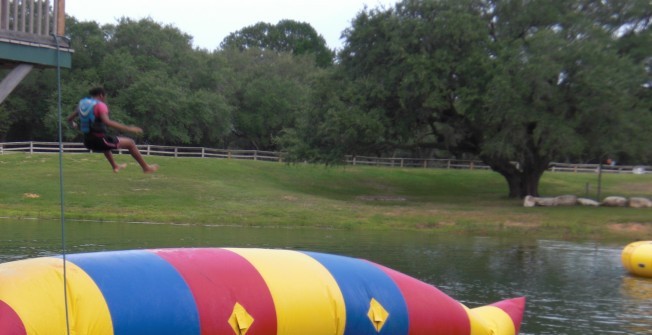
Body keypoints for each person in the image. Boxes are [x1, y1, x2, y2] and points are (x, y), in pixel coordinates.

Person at [67, 87, 158, 173]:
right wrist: (128, 128)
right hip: (99, 141)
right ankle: (146, 168)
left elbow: (69, 119)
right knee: (130, 143)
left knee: (107, 143)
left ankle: (115, 166)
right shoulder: (100, 105)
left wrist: (73, 124)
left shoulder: (82, 104)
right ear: (101, 95)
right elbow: (107, 122)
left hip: (87, 141)